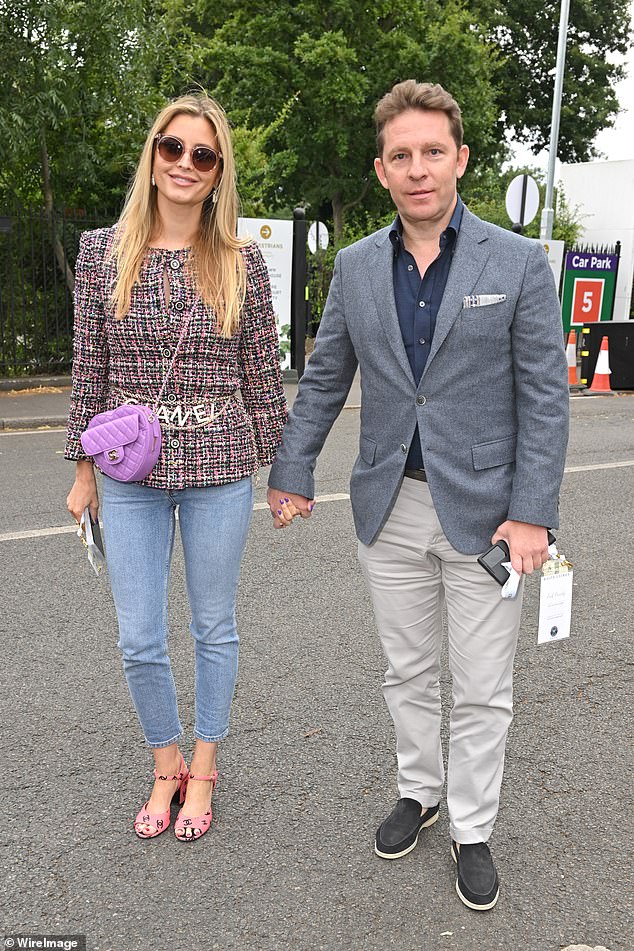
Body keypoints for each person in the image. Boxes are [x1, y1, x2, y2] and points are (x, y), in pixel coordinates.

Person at [267, 80, 569, 909]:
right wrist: (293, 467)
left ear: (460, 159)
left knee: (480, 685)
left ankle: (473, 827)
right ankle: (420, 790)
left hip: (487, 516)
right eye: (401, 155)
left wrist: (533, 511)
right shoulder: (359, 266)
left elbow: (545, 395)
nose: (419, 168)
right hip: (386, 506)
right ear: (382, 169)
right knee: (407, 670)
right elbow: (327, 373)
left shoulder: (514, 262)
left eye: (433, 151)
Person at [66, 93, 288, 842]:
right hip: (128, 470)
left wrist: (283, 468)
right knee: (138, 634)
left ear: (219, 171)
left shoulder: (240, 262)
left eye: (203, 154)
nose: (185, 164)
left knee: (214, 625)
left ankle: (207, 763)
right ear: (153, 155)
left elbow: (263, 373)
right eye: (173, 148)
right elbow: (87, 371)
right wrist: (81, 470)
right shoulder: (102, 252)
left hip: (220, 463)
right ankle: (166, 763)